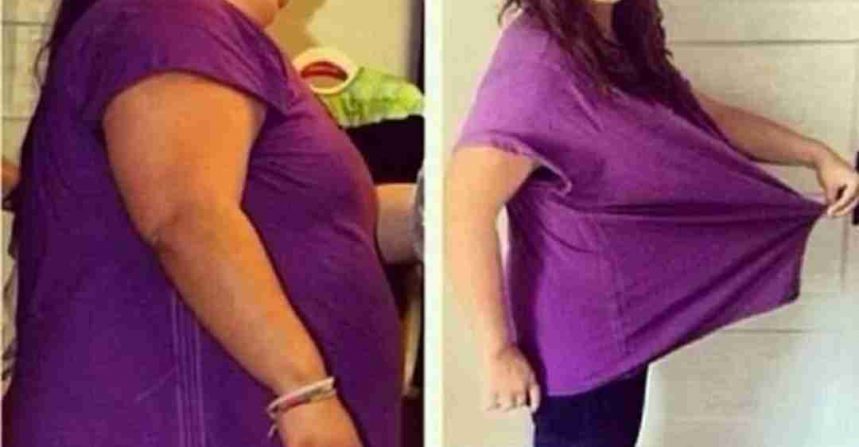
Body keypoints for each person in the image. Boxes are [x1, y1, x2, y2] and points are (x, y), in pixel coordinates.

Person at [445, 1, 859, 446]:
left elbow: (703, 117)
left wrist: (815, 154)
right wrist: (497, 349)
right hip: (583, 342)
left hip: (628, 326)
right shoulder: (539, 62)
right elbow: (464, 212)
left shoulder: (615, 35)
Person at [3, 0, 406, 446]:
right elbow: (188, 218)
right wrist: (303, 393)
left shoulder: (190, 30)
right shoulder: (174, 23)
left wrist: (436, 213)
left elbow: (326, 225)